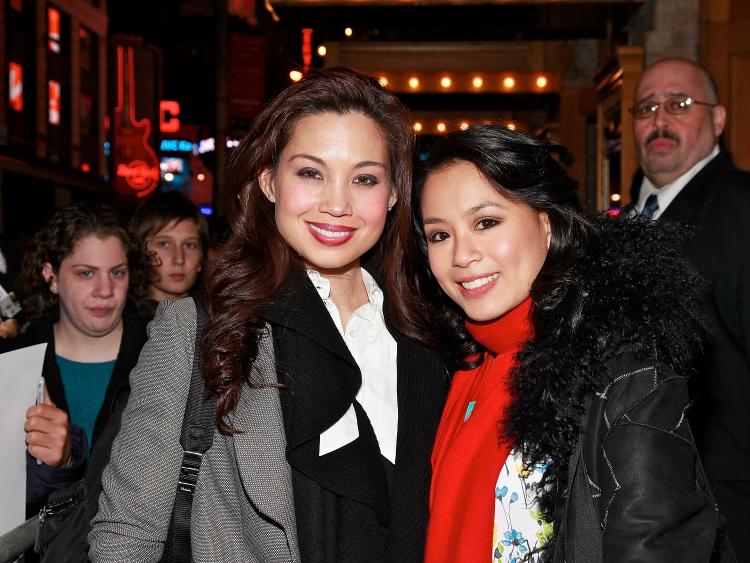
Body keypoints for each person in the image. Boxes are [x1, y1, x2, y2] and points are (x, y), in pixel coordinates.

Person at [90, 68, 446, 562]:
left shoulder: (431, 336)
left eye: (364, 178)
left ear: (391, 195)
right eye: (310, 173)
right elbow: (127, 536)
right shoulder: (199, 329)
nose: (337, 204)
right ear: (269, 182)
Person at [416, 126, 728, 562]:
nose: (461, 255)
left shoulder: (620, 372)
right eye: (439, 235)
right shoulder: (460, 366)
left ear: (546, 225)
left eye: (486, 223)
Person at [629, 57, 750, 560]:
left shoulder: (742, 209)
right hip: (646, 503)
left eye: (679, 104)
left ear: (718, 120)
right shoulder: (630, 219)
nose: (660, 120)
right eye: (646, 107)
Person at [9, 202, 147, 520]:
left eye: (117, 273)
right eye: (86, 273)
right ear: (52, 276)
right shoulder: (16, 363)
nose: (105, 290)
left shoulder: (161, 355)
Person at [130, 191, 208, 317]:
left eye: (189, 245)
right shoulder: (124, 324)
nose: (179, 259)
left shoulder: (218, 322)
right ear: (140, 251)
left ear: (201, 258)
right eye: (164, 244)